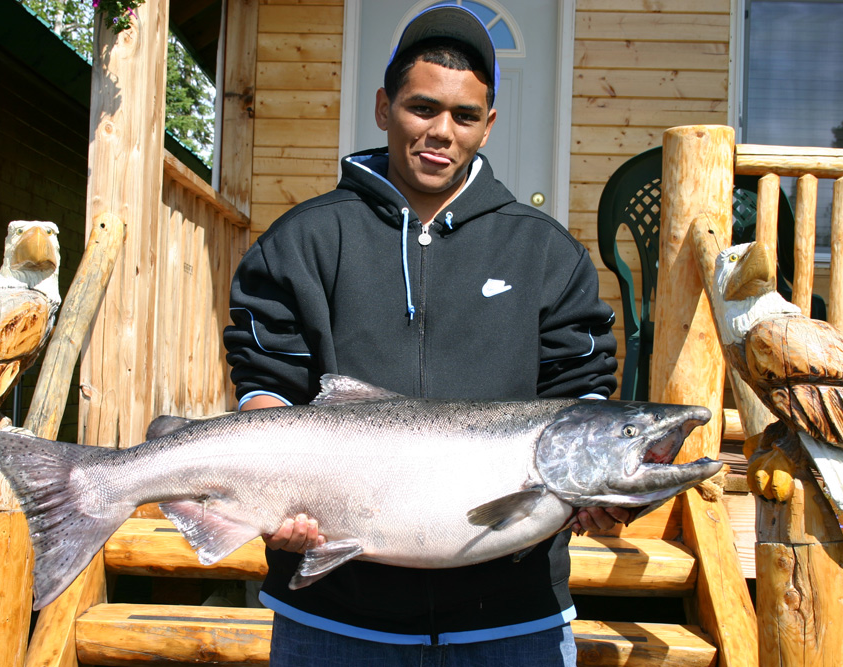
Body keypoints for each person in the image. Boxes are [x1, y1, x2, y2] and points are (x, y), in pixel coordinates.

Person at [223, 5, 624, 665]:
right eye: (422, 108)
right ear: (383, 108)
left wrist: (605, 485)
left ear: (488, 124)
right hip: (333, 617)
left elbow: (583, 392)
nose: (442, 131)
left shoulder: (547, 254)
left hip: (512, 622)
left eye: (465, 116)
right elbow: (267, 381)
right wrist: (277, 493)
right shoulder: (303, 240)